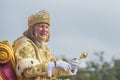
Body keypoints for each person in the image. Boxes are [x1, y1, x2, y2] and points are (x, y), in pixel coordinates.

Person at [13, 9, 79, 80]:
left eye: (47, 27)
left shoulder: (45, 48)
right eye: (41, 26)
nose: (45, 30)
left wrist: (69, 67)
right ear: (32, 29)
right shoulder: (25, 44)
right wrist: (55, 64)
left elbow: (53, 70)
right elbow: (27, 72)